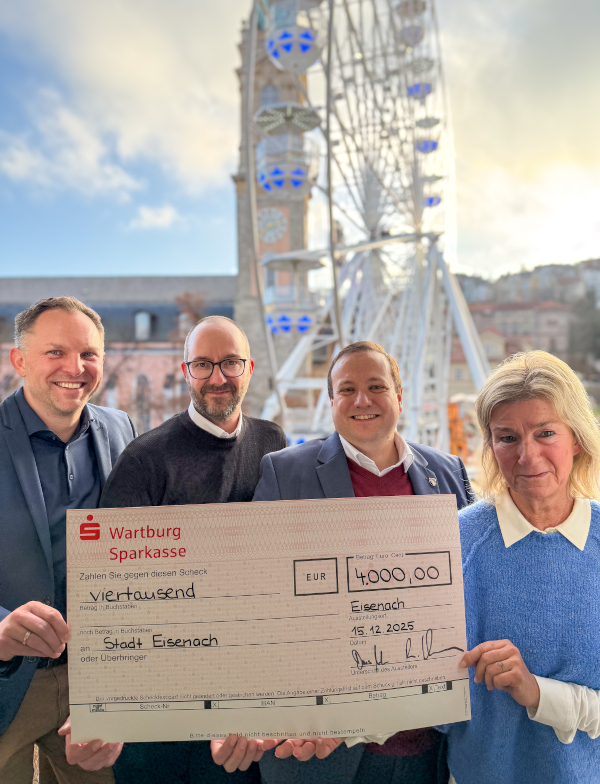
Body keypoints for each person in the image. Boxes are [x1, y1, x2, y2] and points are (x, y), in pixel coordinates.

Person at [215, 341, 474, 784]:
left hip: (425, 742)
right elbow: (253, 598)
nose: (362, 400)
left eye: (376, 386)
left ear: (399, 396)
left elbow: (468, 589)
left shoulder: (448, 472)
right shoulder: (285, 472)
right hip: (317, 747)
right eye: (347, 389)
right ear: (332, 400)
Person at [98, 315, 288, 784]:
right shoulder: (144, 459)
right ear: (186, 371)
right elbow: (111, 593)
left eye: (230, 363)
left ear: (250, 368)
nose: (217, 377)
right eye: (203, 364)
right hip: (159, 705)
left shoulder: (273, 443)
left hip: (244, 700)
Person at [442, 351, 600, 783]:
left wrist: (536, 692)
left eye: (545, 433)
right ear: (491, 446)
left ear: (577, 438)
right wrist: (333, 725)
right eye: (507, 437)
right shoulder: (453, 542)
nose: (527, 456)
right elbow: (416, 683)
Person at [0, 297, 136, 784]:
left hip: (93, 684)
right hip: (7, 681)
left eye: (89, 354)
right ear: (19, 360)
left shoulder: (122, 429)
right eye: (55, 352)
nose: (75, 368)